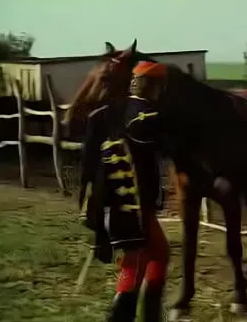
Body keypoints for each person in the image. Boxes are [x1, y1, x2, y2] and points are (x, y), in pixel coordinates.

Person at [79, 61, 170, 322]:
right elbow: (167, 147)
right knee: (136, 260)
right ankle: (121, 317)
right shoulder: (149, 116)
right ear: (154, 86)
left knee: (158, 253)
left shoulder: (114, 110)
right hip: (133, 204)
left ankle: (151, 315)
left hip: (113, 199)